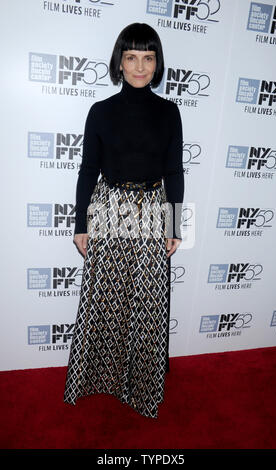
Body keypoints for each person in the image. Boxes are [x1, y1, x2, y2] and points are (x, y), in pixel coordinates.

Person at [64, 22, 184, 419]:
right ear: (119, 61)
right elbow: (87, 171)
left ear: (157, 63)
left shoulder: (169, 112)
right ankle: (102, 377)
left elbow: (174, 172)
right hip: (110, 208)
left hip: (152, 209)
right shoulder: (100, 112)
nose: (139, 66)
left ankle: (144, 380)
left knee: (148, 302)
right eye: (131, 57)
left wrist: (174, 225)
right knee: (107, 301)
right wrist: (81, 223)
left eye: (148, 58)